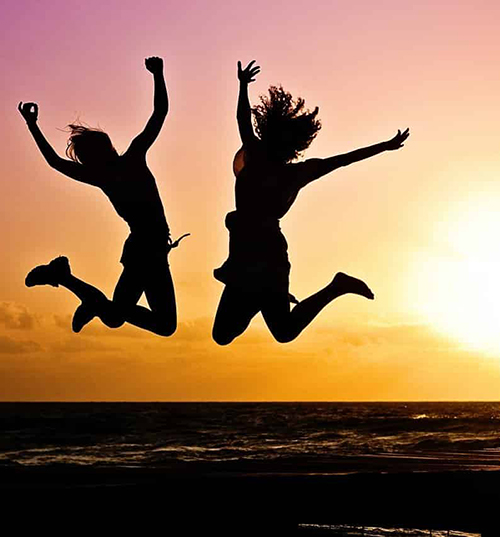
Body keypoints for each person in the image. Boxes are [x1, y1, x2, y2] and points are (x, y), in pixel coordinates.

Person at [212, 60, 409, 345]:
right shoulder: (264, 158)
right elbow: (243, 121)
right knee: (224, 334)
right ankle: (266, 296)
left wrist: (385, 146)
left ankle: (335, 286)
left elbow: (343, 160)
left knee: (281, 332)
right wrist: (242, 86)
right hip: (247, 254)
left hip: (265, 255)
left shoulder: (290, 171)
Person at [18, 56, 187, 336]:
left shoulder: (106, 174)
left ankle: (67, 280)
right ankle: (69, 282)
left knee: (117, 316)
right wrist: (158, 74)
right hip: (147, 250)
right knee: (153, 322)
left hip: (147, 248)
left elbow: (54, 162)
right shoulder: (129, 161)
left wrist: (32, 125)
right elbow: (160, 113)